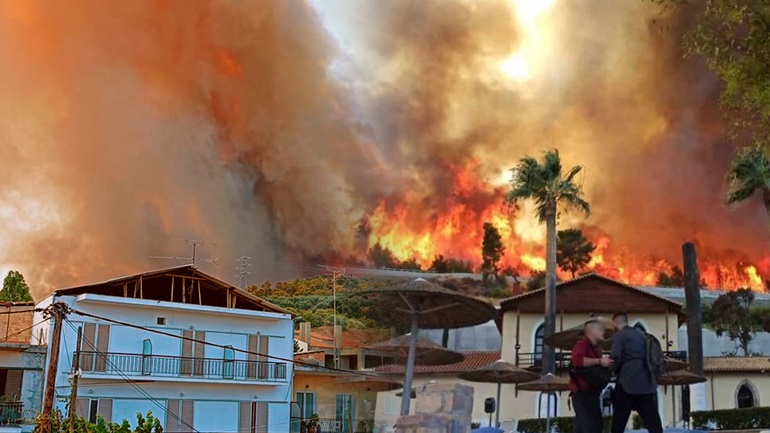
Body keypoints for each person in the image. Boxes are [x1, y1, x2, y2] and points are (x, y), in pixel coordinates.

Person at [610, 312, 663, 433]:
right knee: (652, 418)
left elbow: (615, 357)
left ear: (616, 322)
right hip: (646, 381)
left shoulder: (620, 335)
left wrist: (610, 369)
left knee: (619, 419)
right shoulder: (642, 334)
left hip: (627, 381)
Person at [569, 319, 613, 433]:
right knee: (590, 427)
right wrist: (599, 361)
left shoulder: (595, 349)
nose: (603, 332)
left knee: (587, 427)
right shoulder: (581, 344)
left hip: (591, 394)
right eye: (600, 329)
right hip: (583, 395)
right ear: (592, 331)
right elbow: (577, 361)